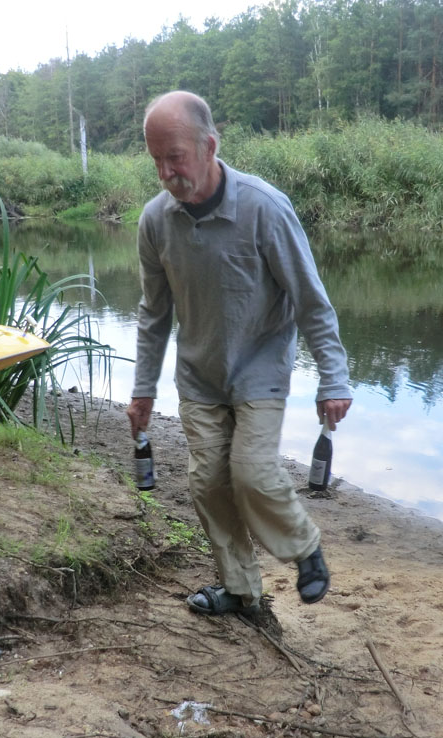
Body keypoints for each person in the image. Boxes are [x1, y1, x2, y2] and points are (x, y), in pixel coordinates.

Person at [127, 90, 352, 617]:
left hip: (260, 367)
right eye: (156, 159)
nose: (165, 172)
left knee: (251, 472)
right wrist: (142, 388)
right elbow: (153, 314)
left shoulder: (263, 208)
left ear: (209, 146)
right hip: (199, 375)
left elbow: (311, 301)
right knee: (207, 483)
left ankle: (303, 547)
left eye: (175, 157)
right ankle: (241, 589)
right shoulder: (155, 221)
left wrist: (334, 378)